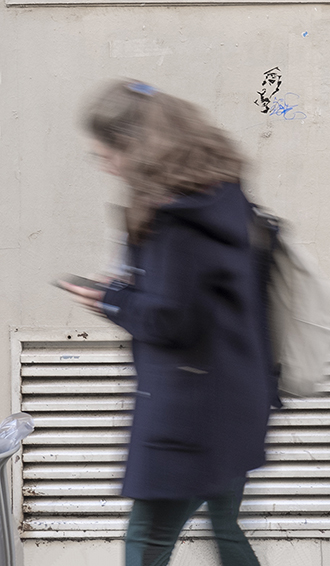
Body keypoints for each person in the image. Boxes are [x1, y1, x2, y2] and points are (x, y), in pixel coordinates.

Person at [59, 79, 274, 566]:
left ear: (131, 145)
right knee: (226, 529)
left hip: (189, 415)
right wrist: (133, 287)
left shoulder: (176, 217)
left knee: (146, 542)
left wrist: (111, 299)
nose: (105, 165)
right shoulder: (220, 198)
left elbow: (173, 320)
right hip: (235, 398)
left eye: (105, 154)